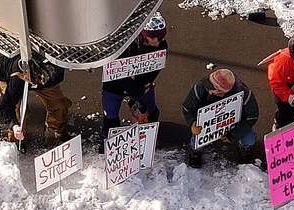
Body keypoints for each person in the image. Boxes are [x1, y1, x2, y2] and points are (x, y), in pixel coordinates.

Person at [100, 14, 167, 144]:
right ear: (144, 35)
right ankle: (109, 143)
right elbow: (118, 74)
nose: (158, 41)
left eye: (161, 37)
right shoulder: (125, 44)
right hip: (114, 85)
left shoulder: (161, 45)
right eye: (154, 37)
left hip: (142, 83)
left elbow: (155, 69)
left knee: (151, 111)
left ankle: (148, 136)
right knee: (110, 118)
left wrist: (140, 90)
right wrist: (137, 92)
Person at [182, 67, 259, 169]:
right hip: (206, 126)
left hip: (234, 125)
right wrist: (192, 123)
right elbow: (187, 108)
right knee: (197, 139)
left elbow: (252, 117)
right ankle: (195, 152)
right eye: (209, 86)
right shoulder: (200, 87)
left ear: (225, 91)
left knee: (249, 138)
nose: (210, 91)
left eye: (214, 90)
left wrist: (233, 135)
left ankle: (245, 149)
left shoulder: (245, 94)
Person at [0, 54, 70, 143]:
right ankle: (16, 140)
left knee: (59, 106)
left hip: (48, 83)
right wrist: (14, 126)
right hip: (14, 77)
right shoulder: (17, 77)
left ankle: (55, 131)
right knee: (17, 116)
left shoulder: (55, 72)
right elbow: (6, 106)